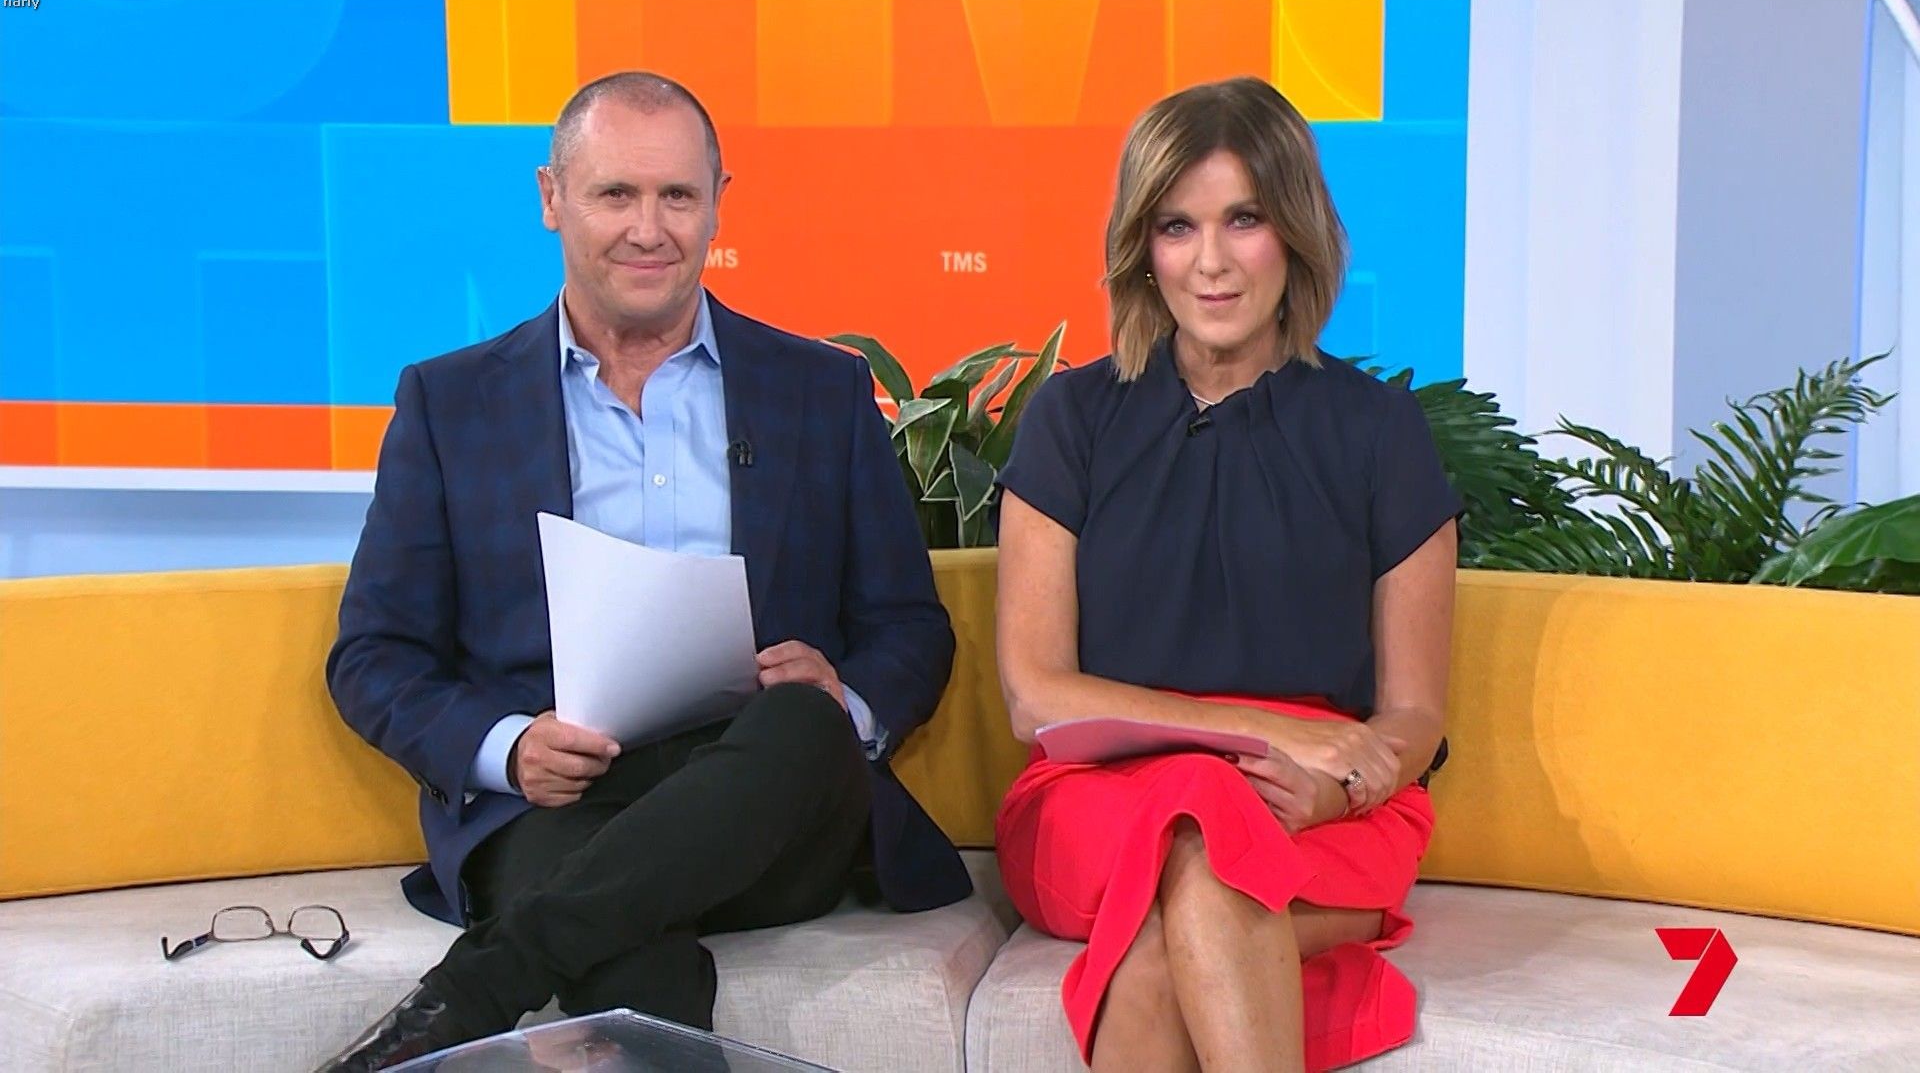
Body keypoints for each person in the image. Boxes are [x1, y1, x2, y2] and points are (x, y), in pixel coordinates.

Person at [316, 71, 971, 1072]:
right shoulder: (450, 405)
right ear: (552, 198)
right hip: (559, 805)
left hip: (769, 803)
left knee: (805, 722)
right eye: (615, 194)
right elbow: (374, 655)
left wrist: (844, 696)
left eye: (677, 196)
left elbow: (910, 628)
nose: (649, 229)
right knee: (617, 929)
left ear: (718, 204)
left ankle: (473, 991)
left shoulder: (820, 390)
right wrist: (507, 749)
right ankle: (523, 967)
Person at [991, 77, 1460, 1072]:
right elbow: (1036, 696)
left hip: (1316, 800)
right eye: (1177, 226)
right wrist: (1262, 731)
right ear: (1142, 247)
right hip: (1100, 795)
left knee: (1174, 937)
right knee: (1203, 828)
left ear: (1294, 232)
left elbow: (1416, 714)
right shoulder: (1071, 419)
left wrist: (1340, 785)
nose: (1210, 261)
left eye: (1243, 219)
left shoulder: (1380, 431)